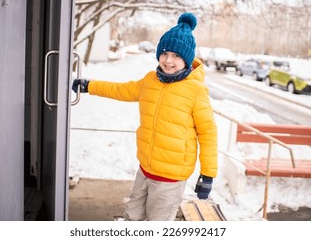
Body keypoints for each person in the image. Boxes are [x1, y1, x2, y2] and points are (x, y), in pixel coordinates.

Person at [72, 12, 218, 221]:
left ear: (186, 59)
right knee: (132, 218)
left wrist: (207, 174)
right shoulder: (150, 81)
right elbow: (121, 90)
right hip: (145, 169)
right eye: (165, 53)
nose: (168, 60)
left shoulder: (195, 90)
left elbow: (208, 133)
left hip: (171, 177)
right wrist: (89, 86)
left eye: (176, 56)